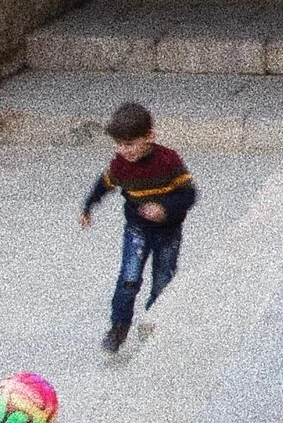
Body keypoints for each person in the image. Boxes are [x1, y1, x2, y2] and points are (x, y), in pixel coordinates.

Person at [78, 101, 197, 354]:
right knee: (129, 279)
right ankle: (119, 327)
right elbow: (104, 184)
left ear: (149, 137)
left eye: (129, 144)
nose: (124, 151)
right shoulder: (120, 165)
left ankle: (155, 324)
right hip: (137, 230)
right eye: (119, 144)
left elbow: (188, 194)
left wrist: (164, 209)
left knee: (162, 280)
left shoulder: (168, 161)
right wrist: (88, 207)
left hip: (168, 233)